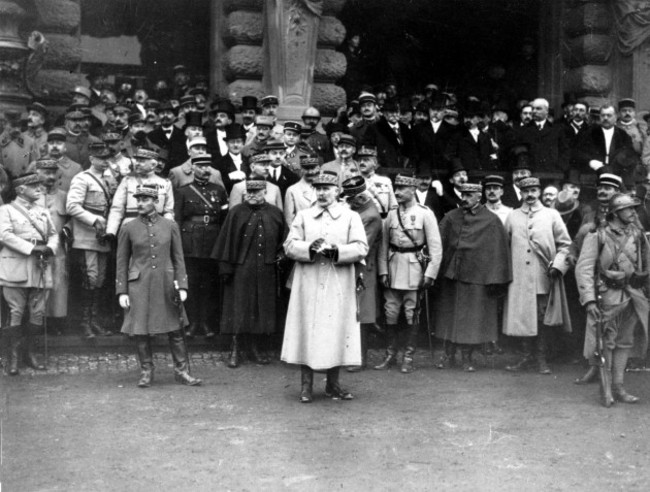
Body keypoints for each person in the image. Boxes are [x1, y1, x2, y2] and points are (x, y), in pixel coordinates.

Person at [281, 171, 369, 403]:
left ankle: (333, 385)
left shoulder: (350, 217)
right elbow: (289, 245)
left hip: (338, 281)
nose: (321, 193)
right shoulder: (303, 216)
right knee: (307, 329)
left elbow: (361, 247)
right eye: (318, 188)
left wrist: (337, 252)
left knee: (336, 330)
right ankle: (306, 386)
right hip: (308, 281)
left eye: (326, 188)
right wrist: (309, 248)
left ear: (337, 191)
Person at [116, 184, 201, 388]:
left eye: (145, 199)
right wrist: (122, 291)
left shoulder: (170, 226)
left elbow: (178, 258)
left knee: (176, 329)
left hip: (166, 283)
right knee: (141, 331)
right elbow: (121, 261)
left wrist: (182, 285)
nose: (140, 203)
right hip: (140, 285)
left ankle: (182, 372)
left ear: (156, 202)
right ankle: (146, 371)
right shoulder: (128, 227)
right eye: (138, 199)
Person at [575, 193, 649, 406]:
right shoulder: (597, 235)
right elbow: (584, 268)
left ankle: (619, 387)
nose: (634, 212)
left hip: (633, 296)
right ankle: (606, 389)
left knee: (625, 342)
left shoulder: (637, 234)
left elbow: (647, 264)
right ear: (616, 212)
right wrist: (589, 300)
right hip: (608, 296)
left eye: (635, 208)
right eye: (630, 209)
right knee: (605, 343)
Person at [434, 183, 511, 371]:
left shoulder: (491, 220)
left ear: (479, 196)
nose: (464, 198)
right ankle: (448, 355)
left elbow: (500, 252)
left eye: (469, 195)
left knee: (471, 320)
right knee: (449, 316)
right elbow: (436, 242)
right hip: (452, 275)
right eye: (463, 194)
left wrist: (496, 279)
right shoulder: (451, 217)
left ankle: (467, 357)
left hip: (478, 277)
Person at [212, 178, 286, 368]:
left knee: (260, 309)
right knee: (239, 308)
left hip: (266, 269)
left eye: (256, 192)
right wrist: (226, 268)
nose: (252, 196)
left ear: (264, 193)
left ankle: (254, 348)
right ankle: (236, 349)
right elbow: (226, 241)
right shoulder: (236, 212)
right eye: (249, 192)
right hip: (241, 269)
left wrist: (280, 255)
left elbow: (283, 240)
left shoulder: (275, 213)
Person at [503, 177, 572, 374]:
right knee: (524, 317)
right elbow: (504, 246)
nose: (530, 195)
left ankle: (541, 358)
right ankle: (526, 357)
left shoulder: (551, 215)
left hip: (544, 275)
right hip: (519, 277)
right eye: (526, 191)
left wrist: (558, 266)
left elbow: (565, 245)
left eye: (534, 190)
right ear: (521, 193)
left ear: (539, 192)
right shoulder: (513, 216)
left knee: (543, 317)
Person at [375, 174, 442, 373]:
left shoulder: (425, 213)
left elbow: (435, 248)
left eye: (402, 189)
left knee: (412, 313)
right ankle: (390, 354)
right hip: (393, 269)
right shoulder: (391, 215)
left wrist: (430, 273)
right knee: (391, 313)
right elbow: (383, 246)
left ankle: (408, 356)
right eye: (396, 188)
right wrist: (383, 271)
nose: (397, 192)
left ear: (412, 190)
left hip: (415, 269)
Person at [0, 173, 59, 375]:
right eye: (33, 186)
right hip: (16, 265)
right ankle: (13, 358)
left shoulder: (43, 211)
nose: (39, 189)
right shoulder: (6, 210)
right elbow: (5, 234)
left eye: (39, 185)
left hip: (40, 266)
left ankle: (30, 354)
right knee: (15, 311)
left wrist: (51, 248)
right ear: (20, 190)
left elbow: (53, 234)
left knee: (38, 311)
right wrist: (31, 248)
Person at [66, 144, 119, 338]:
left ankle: (94, 321)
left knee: (100, 279)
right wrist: (94, 219)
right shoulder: (82, 179)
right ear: (91, 159)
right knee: (90, 278)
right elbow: (72, 206)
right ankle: (84, 323)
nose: (105, 161)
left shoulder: (108, 179)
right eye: (101, 158)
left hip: (102, 237)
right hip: (85, 236)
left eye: (107, 158)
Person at [174, 154, 228, 338]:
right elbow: (178, 220)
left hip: (213, 241)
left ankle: (206, 322)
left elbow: (223, 219)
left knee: (209, 284)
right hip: (190, 242)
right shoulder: (183, 191)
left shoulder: (219, 190)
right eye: (201, 166)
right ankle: (192, 323)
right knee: (192, 283)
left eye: (208, 167)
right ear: (193, 168)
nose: (206, 170)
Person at [341, 176, 382, 372]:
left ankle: (360, 358)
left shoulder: (370, 216)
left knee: (362, 314)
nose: (348, 203)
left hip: (363, 269)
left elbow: (360, 247)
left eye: (350, 199)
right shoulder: (361, 211)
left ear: (359, 198)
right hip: (355, 267)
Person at [34, 158, 71, 334]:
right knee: (38, 284)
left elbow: (72, 220)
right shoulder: (31, 195)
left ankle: (55, 323)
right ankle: (37, 322)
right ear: (37, 174)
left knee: (58, 284)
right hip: (37, 249)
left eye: (53, 173)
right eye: (46, 172)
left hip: (58, 249)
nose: (50, 176)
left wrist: (67, 229)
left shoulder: (64, 196)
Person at [106, 148, 174, 237]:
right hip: (130, 229)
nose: (137, 163)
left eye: (142, 161)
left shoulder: (165, 183)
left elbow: (168, 211)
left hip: (156, 229)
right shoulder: (127, 181)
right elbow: (117, 208)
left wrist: (167, 231)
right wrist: (111, 231)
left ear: (153, 164)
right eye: (137, 160)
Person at [356, 145, 396, 218]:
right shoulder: (354, 182)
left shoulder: (385, 181)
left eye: (366, 160)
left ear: (375, 163)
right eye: (360, 160)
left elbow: (393, 206)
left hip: (383, 221)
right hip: (363, 222)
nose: (361, 162)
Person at [283, 155, 320, 226]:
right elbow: (289, 220)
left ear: (318, 168)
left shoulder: (325, 187)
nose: (310, 172)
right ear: (301, 169)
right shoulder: (292, 190)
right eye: (306, 168)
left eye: (313, 168)